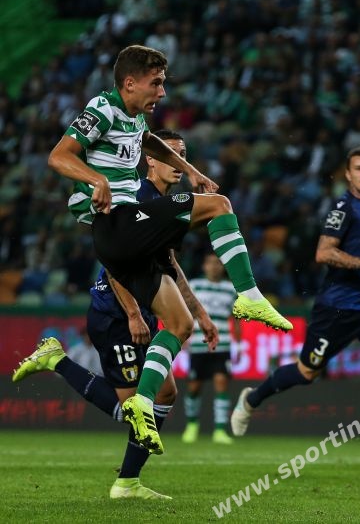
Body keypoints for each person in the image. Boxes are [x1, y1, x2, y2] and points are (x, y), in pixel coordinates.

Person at [46, 45, 292, 455]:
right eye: (156, 83)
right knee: (220, 206)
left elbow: (148, 141)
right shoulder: (102, 108)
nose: (162, 92)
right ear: (129, 83)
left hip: (126, 241)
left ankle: (142, 402)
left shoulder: (135, 118)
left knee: (180, 324)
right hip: (119, 224)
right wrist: (96, 180)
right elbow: (58, 156)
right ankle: (249, 296)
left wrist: (192, 171)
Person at [12, 129, 216, 499]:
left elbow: (169, 264)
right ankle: (56, 359)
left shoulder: (164, 203)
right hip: (116, 314)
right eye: (169, 153)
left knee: (164, 394)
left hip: (145, 307)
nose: (177, 162)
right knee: (132, 410)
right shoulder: (137, 196)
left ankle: (128, 482)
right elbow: (113, 262)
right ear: (150, 159)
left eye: (183, 154)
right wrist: (133, 313)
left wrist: (199, 313)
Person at [230, 146, 360, 464]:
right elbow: (324, 252)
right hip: (337, 308)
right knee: (306, 372)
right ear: (348, 175)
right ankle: (252, 399)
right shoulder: (343, 209)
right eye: (359, 168)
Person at [182, 253, 240, 445]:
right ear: (204, 266)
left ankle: (220, 430)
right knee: (194, 387)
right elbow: (186, 312)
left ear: (223, 267)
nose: (214, 267)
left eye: (218, 263)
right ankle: (192, 425)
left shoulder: (230, 289)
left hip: (222, 344)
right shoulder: (194, 286)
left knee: (221, 382)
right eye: (210, 263)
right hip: (199, 344)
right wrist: (183, 336)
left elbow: (236, 319)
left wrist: (239, 344)